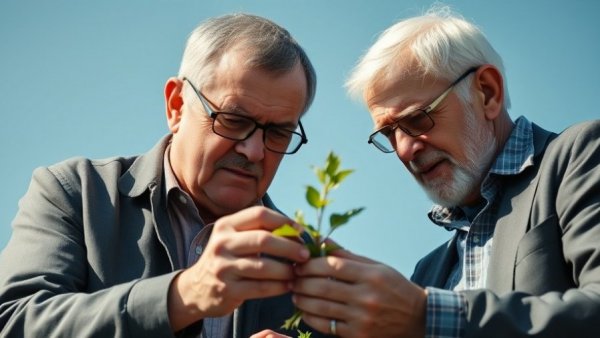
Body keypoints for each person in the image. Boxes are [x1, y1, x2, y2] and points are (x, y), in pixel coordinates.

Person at [0, 13, 333, 338]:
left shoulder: (310, 261)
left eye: (277, 133)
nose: (254, 151)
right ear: (176, 105)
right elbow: (14, 321)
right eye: (234, 120)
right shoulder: (77, 194)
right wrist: (182, 296)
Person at [283, 6, 600, 338]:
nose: (405, 150)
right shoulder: (428, 272)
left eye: (418, 118)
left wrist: (426, 315)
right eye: (390, 134)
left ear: (487, 92)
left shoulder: (580, 157)